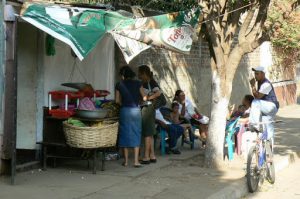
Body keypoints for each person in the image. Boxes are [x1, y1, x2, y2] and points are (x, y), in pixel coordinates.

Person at [115, 66, 145, 168]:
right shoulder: (138, 83)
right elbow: (144, 97)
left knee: (124, 133)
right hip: (136, 111)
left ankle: (126, 161)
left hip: (124, 111)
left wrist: (123, 104)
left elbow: (117, 101)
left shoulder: (119, 84)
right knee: (136, 133)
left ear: (123, 75)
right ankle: (136, 161)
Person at [138, 65, 161, 164]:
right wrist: (151, 97)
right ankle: (152, 156)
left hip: (146, 109)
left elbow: (158, 93)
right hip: (151, 108)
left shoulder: (148, 83)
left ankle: (146, 156)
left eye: (140, 73)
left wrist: (148, 98)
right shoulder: (151, 82)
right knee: (150, 133)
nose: (139, 75)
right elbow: (158, 93)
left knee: (147, 134)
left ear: (144, 73)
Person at [249, 66, 279, 140]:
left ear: (263, 74)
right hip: (267, 108)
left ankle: (254, 125)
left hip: (271, 106)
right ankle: (268, 145)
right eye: (255, 74)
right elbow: (257, 96)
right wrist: (253, 86)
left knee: (255, 102)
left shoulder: (266, 84)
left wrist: (252, 85)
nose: (255, 76)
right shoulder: (260, 83)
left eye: (257, 74)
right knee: (267, 127)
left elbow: (258, 97)